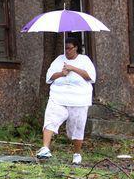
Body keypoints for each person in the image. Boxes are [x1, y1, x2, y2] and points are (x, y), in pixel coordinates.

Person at [36, 36, 96, 165]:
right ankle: (45, 148)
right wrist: (61, 73)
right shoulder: (59, 59)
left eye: (70, 48)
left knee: (76, 128)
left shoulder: (84, 60)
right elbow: (49, 77)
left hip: (79, 99)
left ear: (76, 48)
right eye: (66, 48)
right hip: (59, 97)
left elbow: (91, 77)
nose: (67, 51)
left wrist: (73, 68)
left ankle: (77, 154)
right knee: (50, 119)